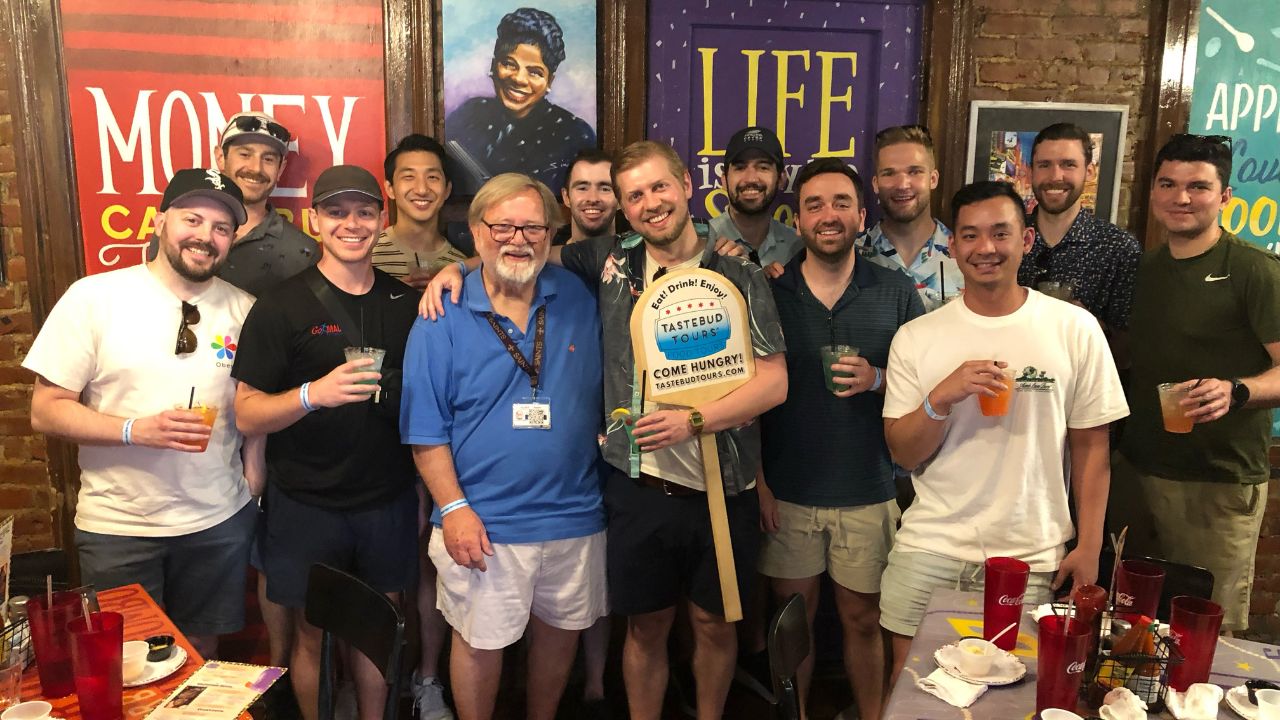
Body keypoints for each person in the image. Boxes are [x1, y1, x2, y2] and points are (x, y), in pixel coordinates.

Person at [422, 141, 787, 720]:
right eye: (635, 195)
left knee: (715, 626)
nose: (650, 203)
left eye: (659, 187)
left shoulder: (737, 271)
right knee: (645, 627)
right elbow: (521, 246)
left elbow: (774, 382)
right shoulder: (610, 260)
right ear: (622, 206)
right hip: (638, 484)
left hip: (725, 484)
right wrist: (458, 267)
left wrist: (695, 420)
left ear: (686, 185)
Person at [879, 180, 1128, 685]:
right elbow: (903, 454)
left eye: (1000, 233)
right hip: (930, 547)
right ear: (953, 247)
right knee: (913, 699)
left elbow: (1092, 447)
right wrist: (941, 397)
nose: (985, 248)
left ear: (1026, 240)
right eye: (970, 236)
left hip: (1030, 558)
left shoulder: (1074, 328)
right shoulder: (917, 336)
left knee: (1014, 701)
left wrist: (1089, 547)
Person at [25, 168, 260, 659]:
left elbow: (254, 408)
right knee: (129, 663)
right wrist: (135, 430)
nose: (205, 236)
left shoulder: (246, 309)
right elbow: (46, 411)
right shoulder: (94, 298)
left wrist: (252, 482)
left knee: (202, 654)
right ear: (159, 221)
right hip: (119, 526)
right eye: (192, 219)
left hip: (218, 520)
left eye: (221, 228)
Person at [403, 172, 608, 720]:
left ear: (550, 234)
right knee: (478, 643)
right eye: (503, 227)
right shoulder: (441, 313)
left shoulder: (578, 296)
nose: (519, 240)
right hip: (483, 522)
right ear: (476, 232)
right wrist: (454, 509)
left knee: (561, 635)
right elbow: (425, 429)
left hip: (574, 515)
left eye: (533, 228)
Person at [231, 165, 420, 720]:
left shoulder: (407, 304)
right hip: (305, 501)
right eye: (336, 212)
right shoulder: (281, 305)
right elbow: (246, 413)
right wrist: (314, 394)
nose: (351, 224)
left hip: (386, 499)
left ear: (381, 220)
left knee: (376, 632)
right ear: (314, 220)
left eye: (364, 212)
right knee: (312, 634)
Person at [759, 158, 923, 719]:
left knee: (863, 619)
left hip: (868, 487)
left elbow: (925, 387)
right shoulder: (769, 292)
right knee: (792, 625)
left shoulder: (896, 292)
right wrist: (760, 484)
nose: (828, 215)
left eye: (841, 203)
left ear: (861, 216)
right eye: (814, 205)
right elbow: (745, 397)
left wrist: (877, 378)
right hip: (787, 489)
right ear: (798, 219)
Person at [1109, 133, 1280, 634]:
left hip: (1216, 483)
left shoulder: (1253, 269)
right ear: (1153, 192)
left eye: (1198, 187)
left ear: (1225, 196)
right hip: (1136, 472)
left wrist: (1237, 390)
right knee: (1130, 624)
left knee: (1202, 632)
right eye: (1168, 184)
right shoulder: (1145, 268)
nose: (1181, 197)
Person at [147, 112, 319, 297]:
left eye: (268, 159)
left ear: (281, 169)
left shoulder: (302, 251)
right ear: (221, 157)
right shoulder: (174, 231)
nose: (256, 168)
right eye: (245, 154)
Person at [1016, 123, 1141, 357]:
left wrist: (1089, 324)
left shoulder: (1119, 248)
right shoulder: (1009, 239)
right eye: (1044, 165)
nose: (1055, 176)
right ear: (1031, 172)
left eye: (1068, 164)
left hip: (1084, 376)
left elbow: (1128, 352)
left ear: (1089, 172)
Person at [445, 7, 596, 194]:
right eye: (509, 64)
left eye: (534, 72)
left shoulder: (575, 134)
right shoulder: (467, 115)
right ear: (493, 65)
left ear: (549, 81)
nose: (519, 79)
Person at [856, 124, 961, 312]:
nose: (902, 184)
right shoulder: (853, 256)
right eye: (889, 173)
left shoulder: (965, 255)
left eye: (914, 172)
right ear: (876, 183)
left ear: (933, 179)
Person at [373, 134, 470, 294]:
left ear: (447, 190)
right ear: (390, 189)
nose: (422, 189)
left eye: (432, 177)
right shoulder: (368, 255)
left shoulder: (460, 268)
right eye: (409, 177)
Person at [709, 126, 800, 273]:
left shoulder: (799, 247)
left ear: (781, 178)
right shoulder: (701, 244)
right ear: (724, 180)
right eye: (740, 168)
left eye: (763, 167)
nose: (751, 178)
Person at [557, 148, 620, 244]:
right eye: (582, 188)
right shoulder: (544, 251)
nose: (593, 198)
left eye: (605, 189)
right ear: (566, 197)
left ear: (620, 198)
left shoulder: (639, 250)